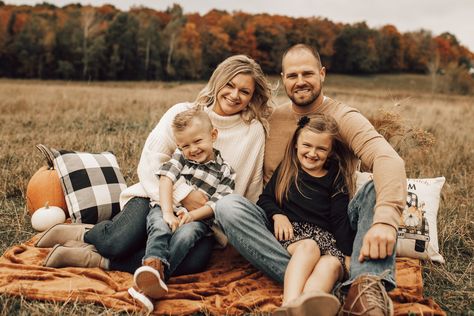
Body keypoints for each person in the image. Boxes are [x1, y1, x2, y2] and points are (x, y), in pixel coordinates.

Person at [35, 54, 272, 307]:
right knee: (118, 242)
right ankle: (84, 235)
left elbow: (248, 187)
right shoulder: (183, 113)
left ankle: (92, 259)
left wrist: (215, 222)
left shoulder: (253, 132)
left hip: (201, 218)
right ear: (218, 82)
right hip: (154, 197)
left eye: (244, 91)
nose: (235, 95)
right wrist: (182, 196)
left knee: (192, 262)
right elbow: (151, 162)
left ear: (253, 96)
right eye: (230, 85)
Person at [214, 44, 406, 316]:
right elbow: (223, 122)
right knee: (227, 206)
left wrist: (386, 220)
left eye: (308, 73)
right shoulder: (271, 117)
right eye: (292, 76)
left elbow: (388, 159)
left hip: (329, 228)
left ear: (322, 74)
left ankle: (363, 287)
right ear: (283, 79)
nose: (300, 81)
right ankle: (315, 289)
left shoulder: (343, 117)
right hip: (279, 233)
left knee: (374, 190)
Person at [127, 108, 236, 312]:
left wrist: (192, 215)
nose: (192, 149)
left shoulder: (226, 171)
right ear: (179, 145)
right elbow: (166, 179)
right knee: (160, 227)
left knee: (186, 236)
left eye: (197, 141)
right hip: (167, 206)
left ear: (213, 135)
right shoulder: (180, 157)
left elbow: (217, 204)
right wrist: (168, 212)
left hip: (197, 220)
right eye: (185, 145)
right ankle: (153, 269)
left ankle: (149, 286)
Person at [257, 114, 356, 315]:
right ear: (296, 144)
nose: (312, 153)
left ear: (330, 152)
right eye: (307, 145)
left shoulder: (335, 176)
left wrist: (346, 254)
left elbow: (339, 219)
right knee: (309, 247)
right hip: (295, 236)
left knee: (330, 264)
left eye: (321, 148)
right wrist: (278, 215)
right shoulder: (287, 169)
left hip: (327, 241)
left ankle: (309, 304)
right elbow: (265, 199)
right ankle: (289, 304)